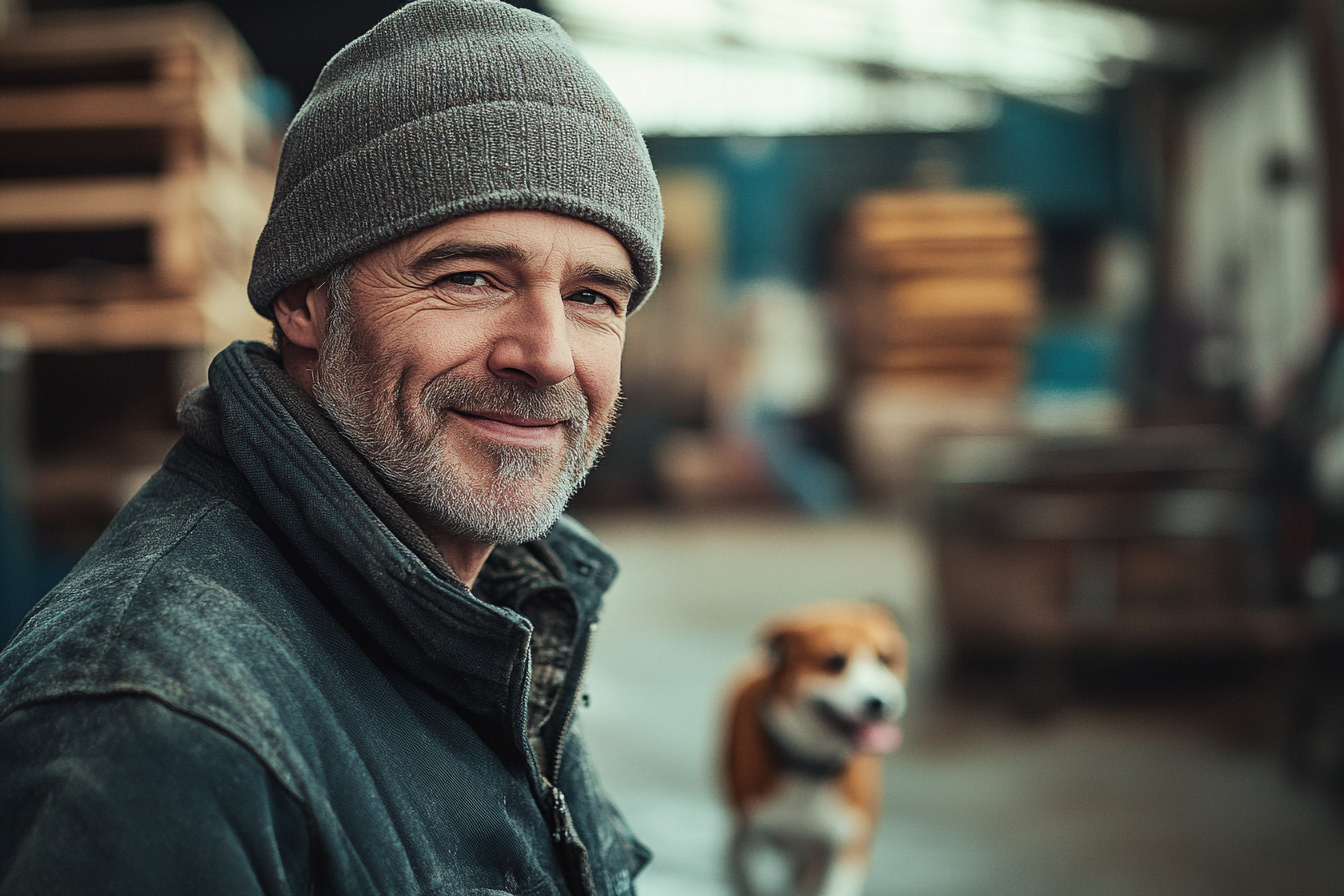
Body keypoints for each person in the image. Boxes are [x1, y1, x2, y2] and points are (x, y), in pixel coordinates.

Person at [0, 2, 662, 894]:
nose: (546, 355)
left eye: (592, 298)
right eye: (470, 277)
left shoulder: (502, 608)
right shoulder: (159, 733)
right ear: (305, 301)